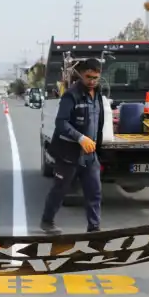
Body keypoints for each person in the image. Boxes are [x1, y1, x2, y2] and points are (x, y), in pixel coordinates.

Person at [41, 57, 105, 234]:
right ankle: (47, 221)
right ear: (81, 75)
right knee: (60, 190)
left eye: (95, 77)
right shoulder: (72, 95)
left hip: (89, 155)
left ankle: (94, 228)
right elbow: (61, 122)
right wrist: (80, 138)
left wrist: (96, 146)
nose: (91, 81)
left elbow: (98, 121)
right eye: (88, 77)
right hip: (68, 154)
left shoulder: (98, 94)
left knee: (94, 192)